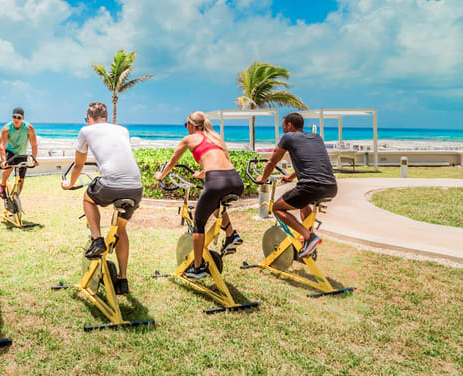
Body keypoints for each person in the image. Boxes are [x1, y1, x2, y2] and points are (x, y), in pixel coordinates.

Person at [61, 102, 143, 295]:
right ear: (106, 117)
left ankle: (97, 239)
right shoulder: (122, 130)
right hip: (136, 187)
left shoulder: (85, 130)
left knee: (88, 199)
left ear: (89, 118)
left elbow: (79, 165)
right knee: (121, 230)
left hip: (111, 185)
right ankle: (122, 280)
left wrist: (70, 184)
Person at [154, 111, 244, 279]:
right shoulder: (215, 137)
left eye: (185, 125)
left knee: (199, 223)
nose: (185, 128)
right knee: (216, 207)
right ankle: (231, 234)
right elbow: (218, 160)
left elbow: (172, 161)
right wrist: (202, 173)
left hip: (216, 181)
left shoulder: (189, 139)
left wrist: (161, 176)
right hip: (236, 181)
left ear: (191, 125)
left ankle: (197, 267)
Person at [257, 112, 338, 258]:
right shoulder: (316, 137)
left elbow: (271, 162)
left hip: (310, 187)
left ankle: (309, 237)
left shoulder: (288, 137)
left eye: (284, 128)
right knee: (303, 204)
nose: (283, 131)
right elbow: (311, 163)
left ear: (289, 125)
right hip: (331, 187)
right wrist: (290, 177)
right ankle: (310, 244)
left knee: (277, 208)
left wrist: (263, 179)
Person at [0, 107, 39, 199]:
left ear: (23, 118)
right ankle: (2, 186)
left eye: (19, 118)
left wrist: (34, 159)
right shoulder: (6, 128)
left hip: (22, 154)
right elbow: (2, 145)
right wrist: (3, 160)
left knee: (21, 179)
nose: (16, 119)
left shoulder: (28, 128)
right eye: (14, 117)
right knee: (8, 168)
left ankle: (15, 199)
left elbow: (34, 145)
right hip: (10, 151)